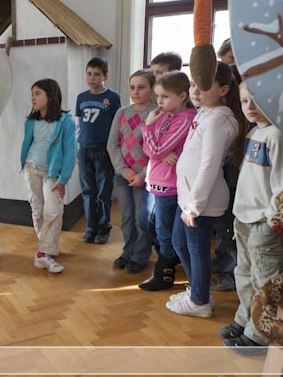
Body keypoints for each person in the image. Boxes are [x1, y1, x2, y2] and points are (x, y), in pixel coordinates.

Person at [166, 62, 242, 318]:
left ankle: (199, 301)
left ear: (223, 89)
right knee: (179, 242)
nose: (195, 91)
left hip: (201, 201)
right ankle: (198, 291)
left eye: (204, 86)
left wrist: (194, 206)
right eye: (193, 84)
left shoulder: (218, 119)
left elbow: (209, 164)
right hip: (188, 196)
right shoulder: (205, 113)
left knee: (197, 249)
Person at [219, 84, 283, 353]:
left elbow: (282, 185)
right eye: (245, 101)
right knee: (244, 274)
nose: (250, 107)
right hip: (244, 218)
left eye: (256, 100)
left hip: (264, 223)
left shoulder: (277, 136)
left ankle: (259, 335)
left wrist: (272, 220)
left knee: (265, 281)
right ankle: (245, 318)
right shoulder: (253, 133)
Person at [138, 71, 196, 291]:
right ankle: (169, 258)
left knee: (164, 231)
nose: (159, 101)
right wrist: (160, 152)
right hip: (155, 180)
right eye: (158, 96)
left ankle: (164, 273)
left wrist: (148, 129)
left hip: (169, 184)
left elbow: (154, 146)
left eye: (164, 96)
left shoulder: (185, 118)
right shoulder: (164, 115)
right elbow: (148, 147)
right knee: (150, 225)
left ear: (182, 96)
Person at [21, 78, 76, 273]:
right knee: (37, 210)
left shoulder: (66, 121)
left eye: (37, 94)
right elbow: (29, 144)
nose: (33, 98)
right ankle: (45, 250)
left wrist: (63, 180)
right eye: (32, 94)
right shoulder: (31, 121)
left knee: (53, 211)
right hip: (31, 169)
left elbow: (70, 153)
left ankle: (43, 253)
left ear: (50, 95)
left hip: (52, 174)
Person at [107, 69, 157, 273]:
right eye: (132, 87)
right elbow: (112, 145)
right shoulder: (121, 112)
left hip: (145, 176)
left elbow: (158, 151)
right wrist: (124, 170)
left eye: (141, 87)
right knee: (126, 216)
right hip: (123, 175)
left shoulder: (157, 113)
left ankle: (140, 255)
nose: (136, 92)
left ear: (152, 88)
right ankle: (127, 252)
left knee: (141, 218)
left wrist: (142, 175)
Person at [75, 57, 121, 244]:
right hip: (84, 149)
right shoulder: (81, 97)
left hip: (103, 151)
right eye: (89, 74)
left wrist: (115, 151)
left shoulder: (113, 98)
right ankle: (90, 227)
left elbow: (117, 125)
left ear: (105, 76)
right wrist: (77, 149)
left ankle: (103, 227)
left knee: (103, 192)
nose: (91, 78)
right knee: (88, 192)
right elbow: (78, 125)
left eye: (96, 74)